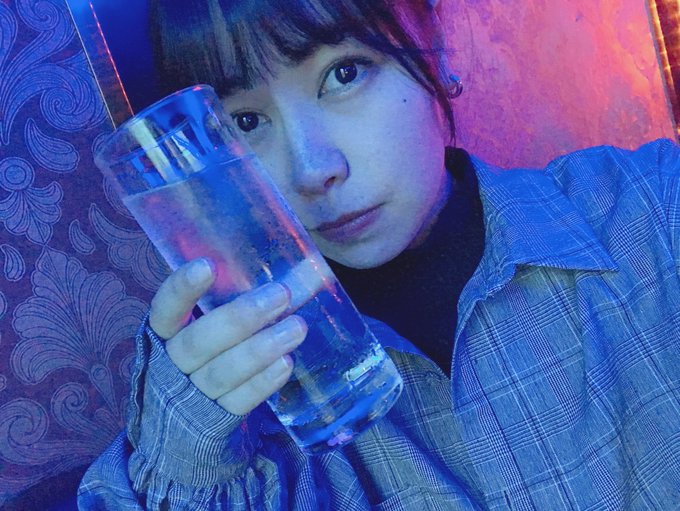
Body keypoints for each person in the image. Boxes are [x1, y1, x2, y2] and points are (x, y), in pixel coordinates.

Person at [78, 0, 680, 509]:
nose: (313, 170)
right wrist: (187, 448)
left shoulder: (648, 208)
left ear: (434, 48)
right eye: (246, 120)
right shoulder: (239, 395)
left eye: (344, 73)